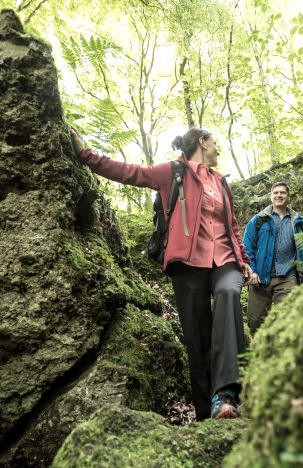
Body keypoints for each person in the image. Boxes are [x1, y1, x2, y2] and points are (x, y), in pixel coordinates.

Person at [70, 126, 253, 421]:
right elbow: (130, 172)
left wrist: (243, 259)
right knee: (197, 336)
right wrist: (85, 154)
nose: (218, 149)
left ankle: (226, 395)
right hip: (188, 262)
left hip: (225, 261)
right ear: (203, 143)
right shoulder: (173, 172)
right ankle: (208, 414)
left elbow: (232, 227)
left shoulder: (221, 182)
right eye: (215, 143)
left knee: (229, 293)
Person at [242, 182, 303, 334]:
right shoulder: (258, 220)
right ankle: (258, 353)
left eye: (282, 193)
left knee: (291, 318)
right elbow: (247, 247)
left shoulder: (296, 221)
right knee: (255, 322)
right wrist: (253, 272)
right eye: (275, 192)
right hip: (260, 279)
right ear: (271, 197)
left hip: (287, 277)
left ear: (288, 197)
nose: (279, 195)